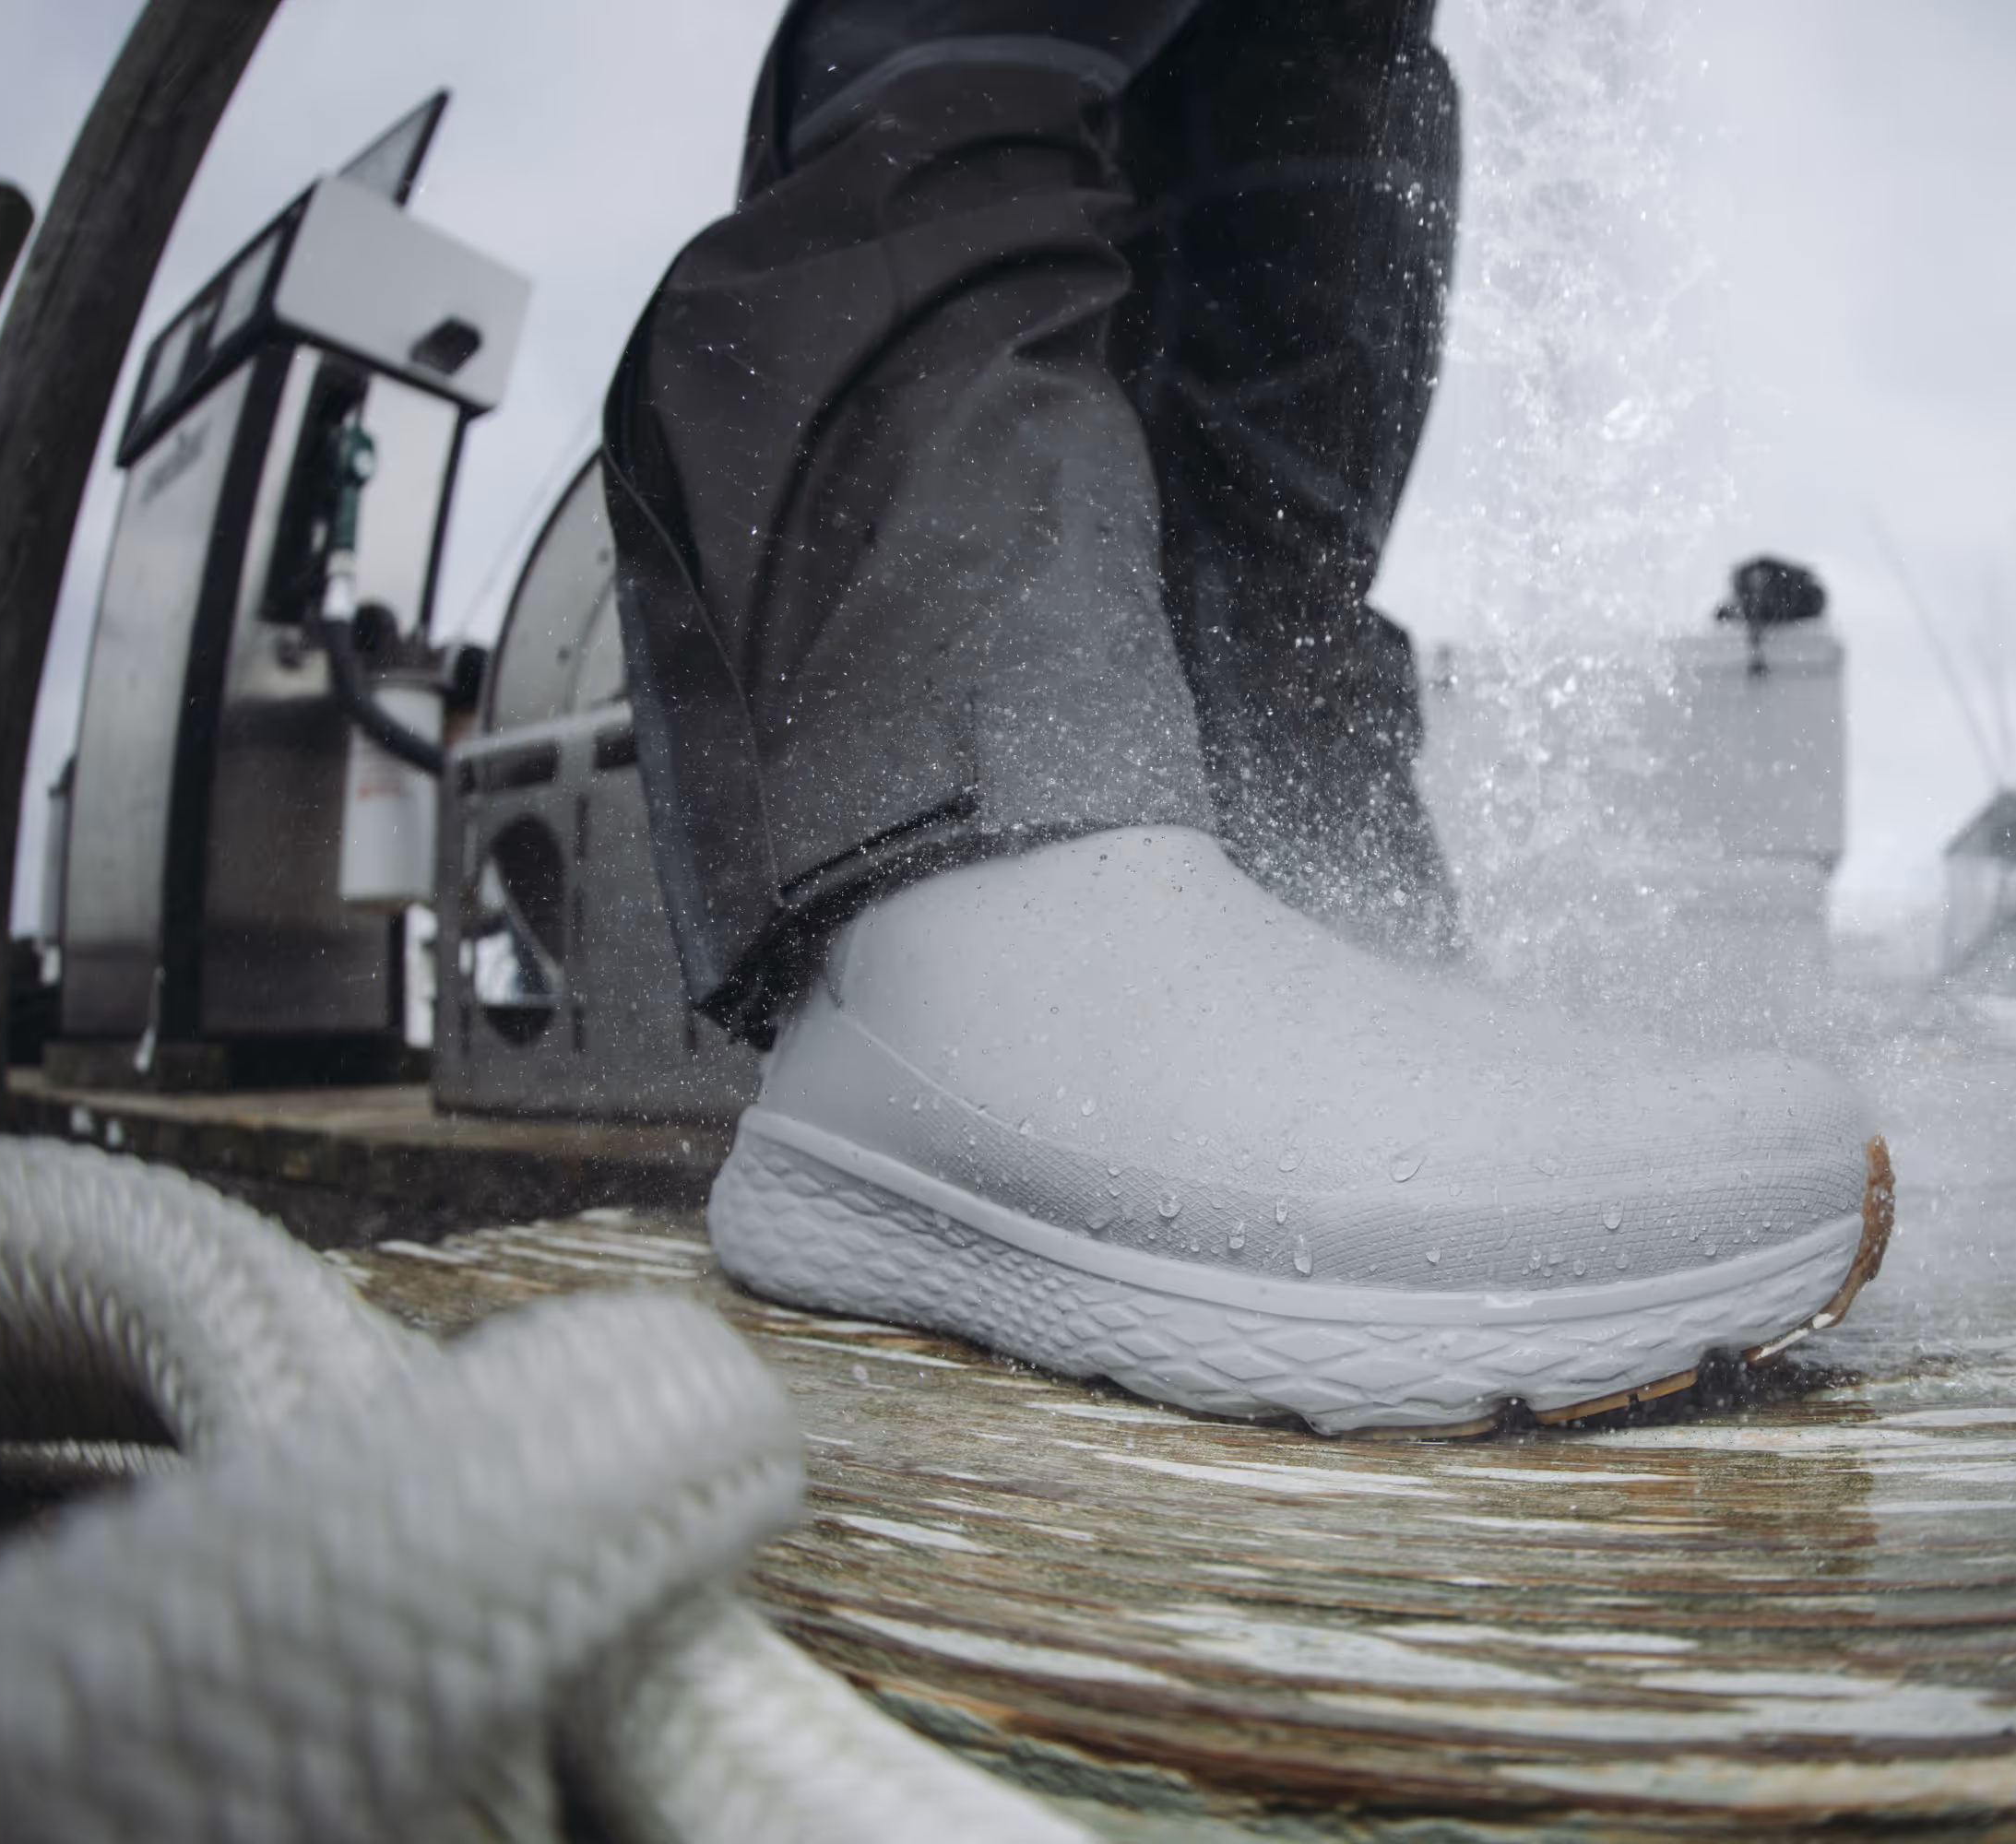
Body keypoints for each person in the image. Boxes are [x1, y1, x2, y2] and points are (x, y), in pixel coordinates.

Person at [602, 0, 1887, 1436]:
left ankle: (1283, 887)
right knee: (996, 61)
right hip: (977, 770)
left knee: (1312, 102)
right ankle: (961, 889)